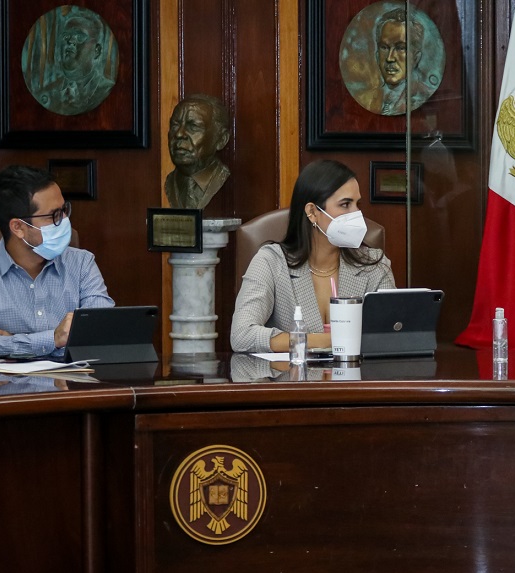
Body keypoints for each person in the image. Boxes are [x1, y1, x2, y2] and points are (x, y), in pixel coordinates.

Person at [230, 160, 395, 353]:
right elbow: (241, 336)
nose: (357, 214)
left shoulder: (374, 265)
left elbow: (391, 335)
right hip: (290, 372)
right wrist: (328, 341)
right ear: (312, 212)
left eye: (357, 204)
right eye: (345, 204)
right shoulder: (271, 262)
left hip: (356, 372)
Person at [0, 165, 114, 359]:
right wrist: (53, 339)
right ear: (18, 227)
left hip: (71, 377)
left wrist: (11, 342)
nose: (64, 220)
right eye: (54, 215)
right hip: (1, 379)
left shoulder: (81, 263)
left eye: (64, 210)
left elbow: (102, 334)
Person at [357, 8, 439, 116]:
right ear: (377, 55)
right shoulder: (365, 99)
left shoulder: (427, 98)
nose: (390, 58)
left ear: (415, 58)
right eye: (384, 47)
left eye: (401, 48)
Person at [33, 9, 116, 115]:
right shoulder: (47, 94)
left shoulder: (108, 91)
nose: (70, 41)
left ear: (97, 51)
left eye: (79, 37)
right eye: (66, 36)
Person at [164, 94, 231, 210]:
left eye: (193, 127)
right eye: (175, 125)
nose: (179, 134)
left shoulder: (231, 184)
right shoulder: (169, 183)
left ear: (221, 140)